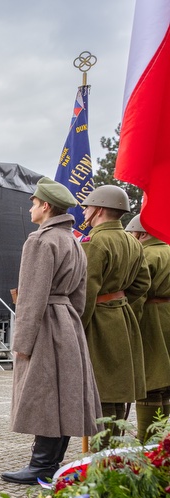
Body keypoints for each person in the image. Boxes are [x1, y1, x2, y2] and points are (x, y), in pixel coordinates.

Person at [2, 177, 101, 484]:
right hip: (67, 320)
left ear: (45, 206)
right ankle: (51, 462)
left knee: (45, 394)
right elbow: (80, 297)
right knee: (65, 395)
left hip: (45, 321)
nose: (30, 208)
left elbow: (31, 295)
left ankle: (40, 465)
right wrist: (69, 322)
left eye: (33, 203)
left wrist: (23, 341)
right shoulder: (73, 240)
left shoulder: (40, 240)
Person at [79, 185, 148, 436]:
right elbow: (143, 284)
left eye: (87, 206)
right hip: (122, 316)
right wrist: (118, 300)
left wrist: (77, 328)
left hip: (98, 320)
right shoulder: (133, 242)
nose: (84, 210)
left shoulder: (96, 242)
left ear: (98, 208)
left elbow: (86, 292)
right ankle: (114, 448)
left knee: (103, 388)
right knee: (118, 389)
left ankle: (103, 455)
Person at [125, 216, 170, 441]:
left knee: (149, 381)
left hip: (150, 320)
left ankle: (146, 442)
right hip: (167, 317)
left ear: (142, 234)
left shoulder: (146, 254)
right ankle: (161, 441)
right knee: (165, 383)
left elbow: (138, 292)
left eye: (133, 235)